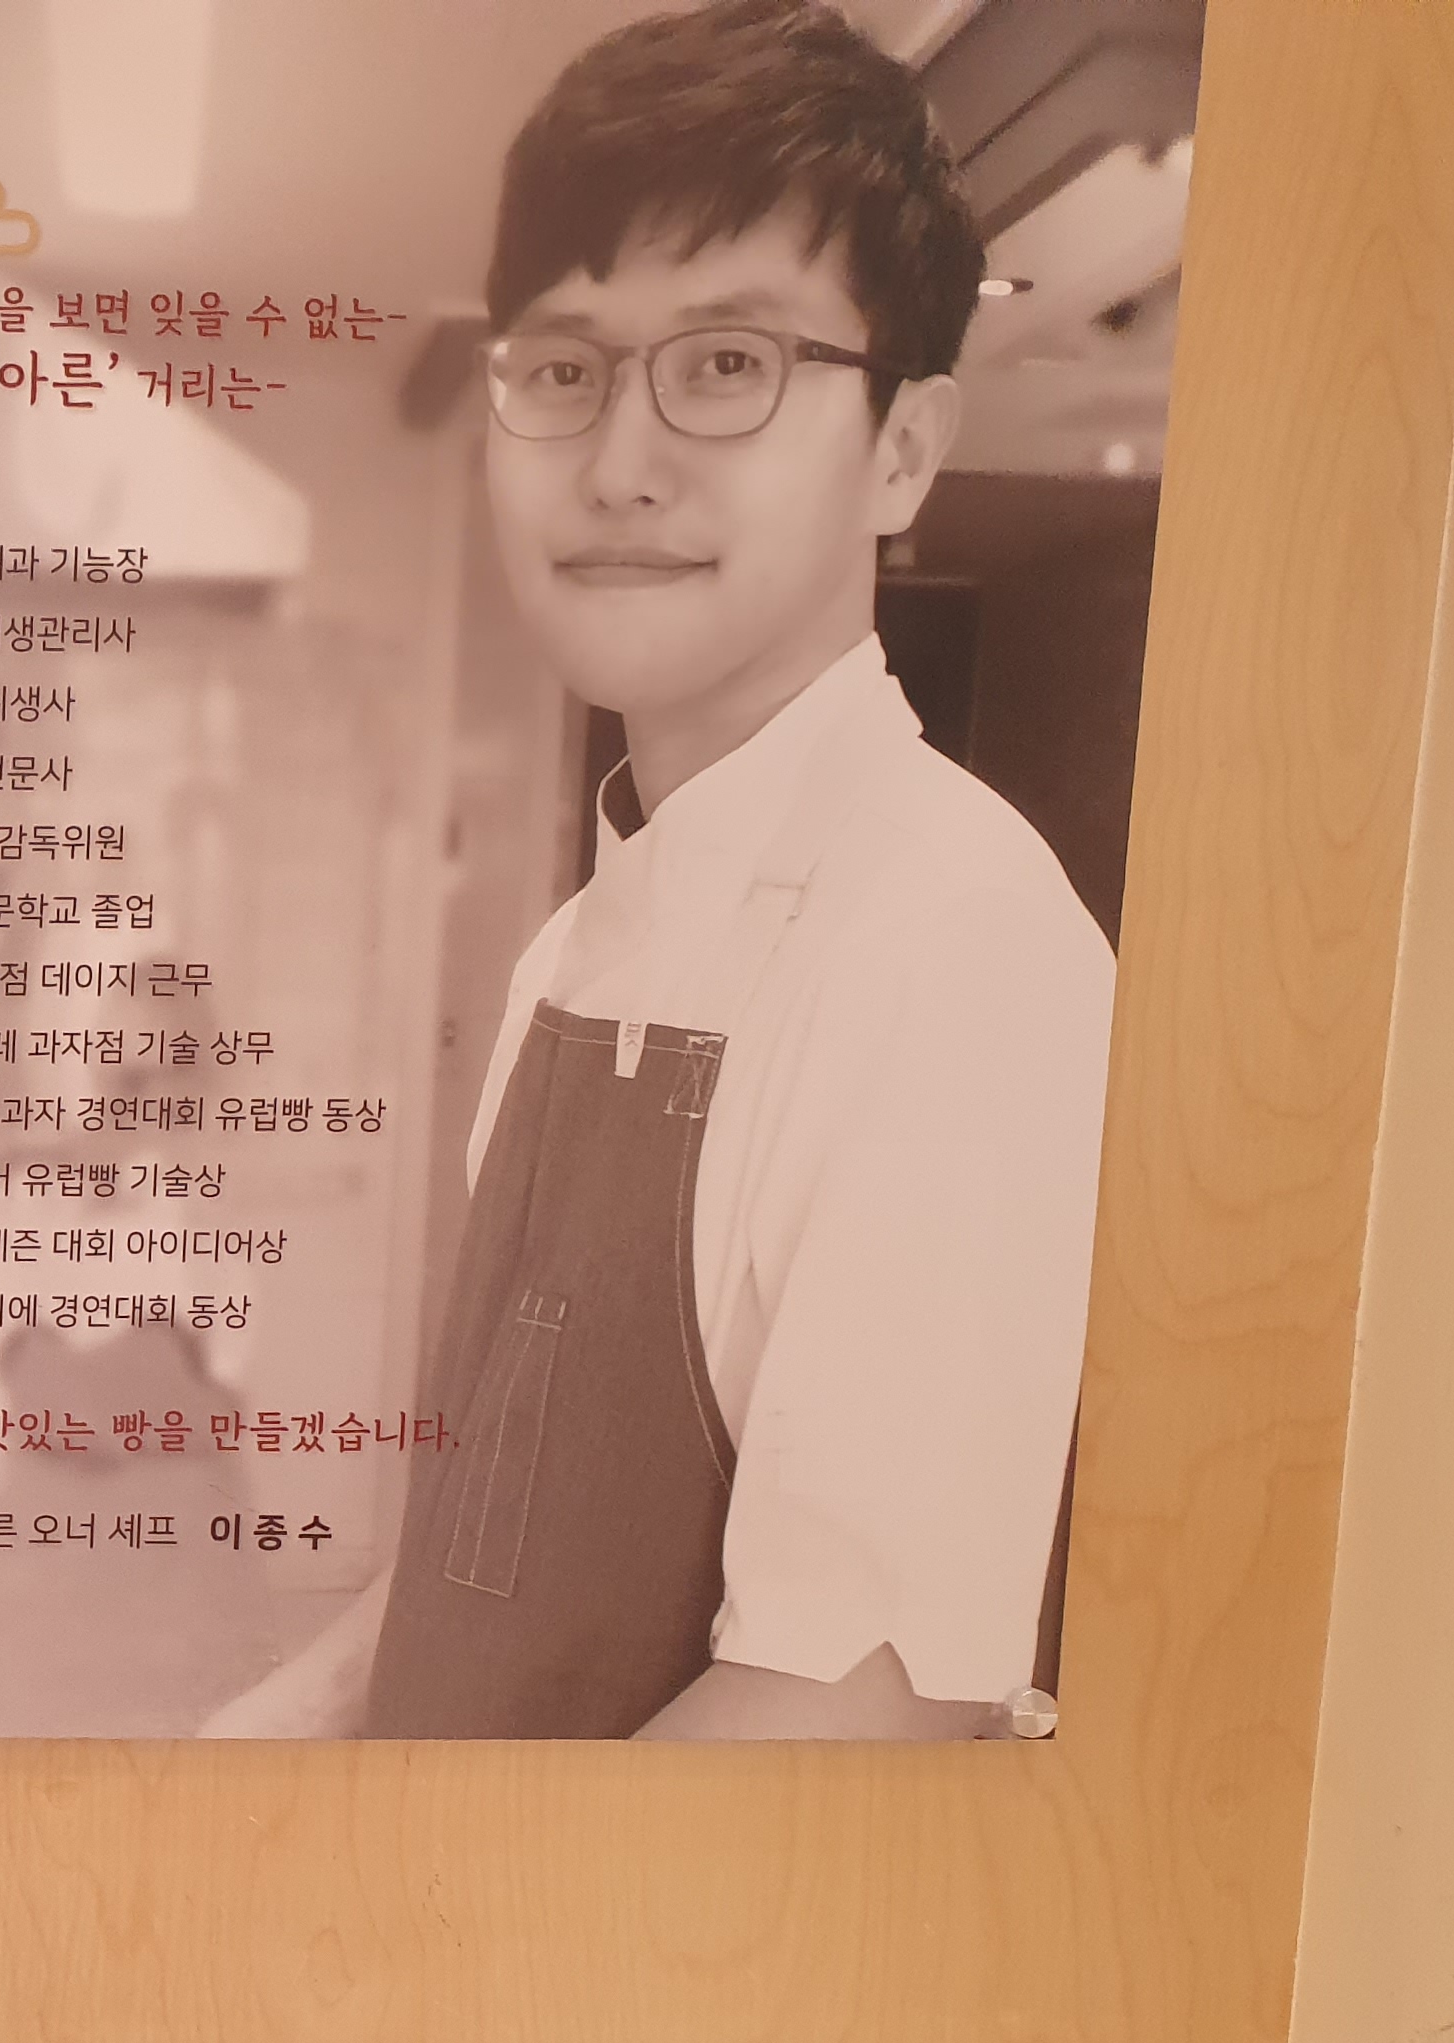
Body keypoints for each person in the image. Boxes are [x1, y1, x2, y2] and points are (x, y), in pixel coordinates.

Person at [223, 0, 1110, 1744]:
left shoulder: (958, 945)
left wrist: (388, 1900)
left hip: (609, 1934)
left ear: (905, 449)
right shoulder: (575, 943)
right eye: (564, 370)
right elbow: (477, 1545)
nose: (620, 466)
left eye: (726, 365)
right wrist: (268, 1753)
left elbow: (838, 1731)